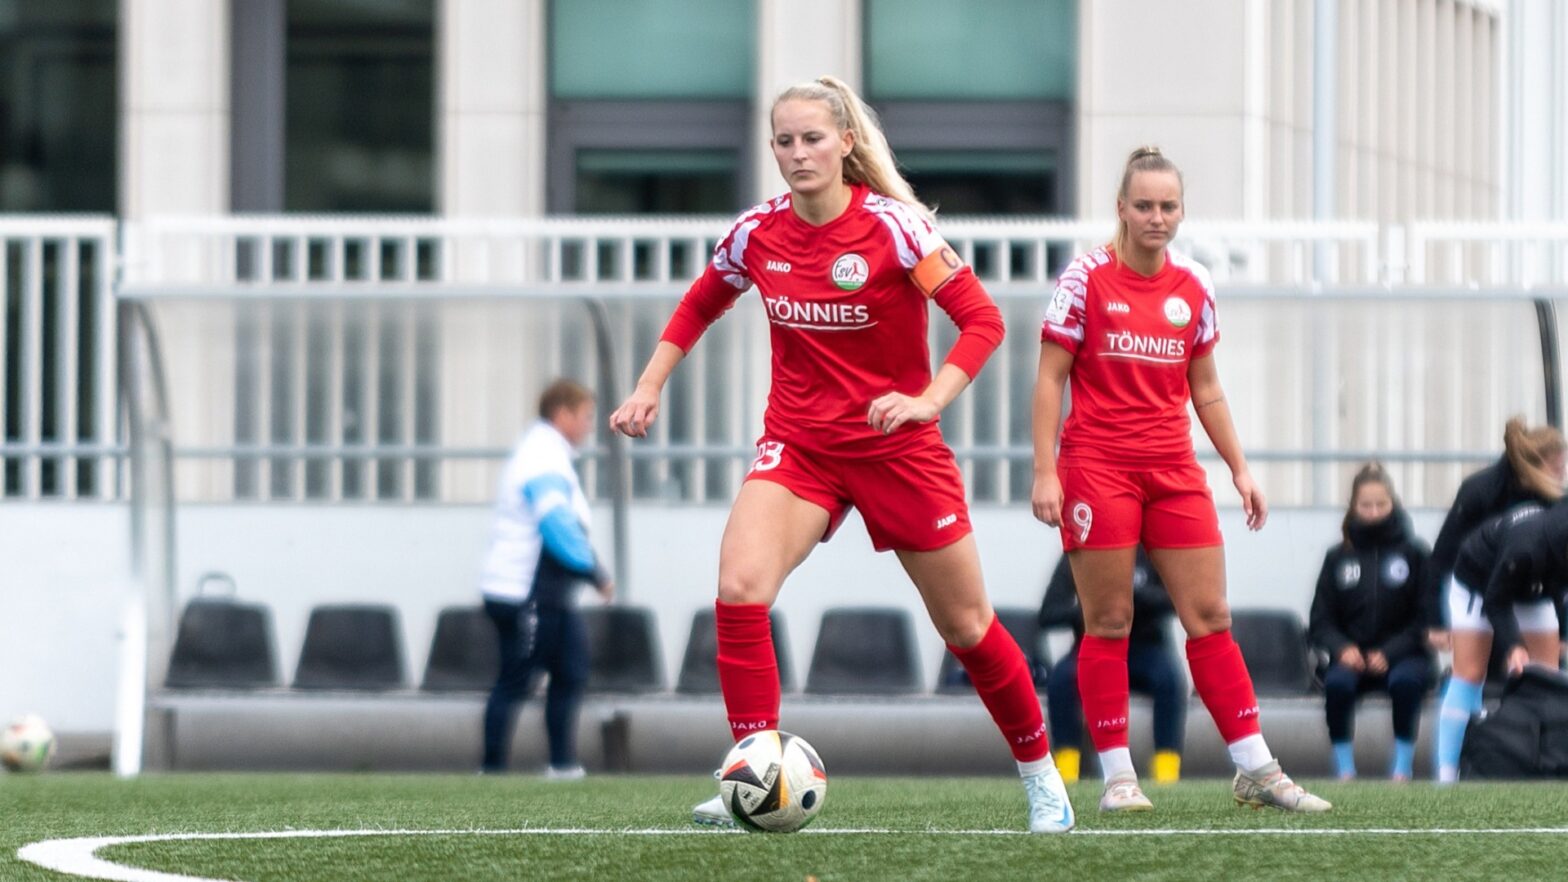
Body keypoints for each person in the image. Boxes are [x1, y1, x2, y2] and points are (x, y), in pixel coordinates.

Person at [609, 76, 1075, 834]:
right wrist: (647, 386)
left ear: (846, 144)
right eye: (784, 142)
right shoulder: (756, 232)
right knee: (738, 587)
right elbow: (701, 300)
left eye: (813, 139)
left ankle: (1040, 775)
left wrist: (929, 399)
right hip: (801, 447)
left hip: (900, 451)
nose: (798, 154)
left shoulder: (898, 230)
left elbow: (981, 321)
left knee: (968, 627)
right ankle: (754, 778)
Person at [1032, 145, 1330, 814]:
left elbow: (1207, 387)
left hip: (1173, 469)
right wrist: (1045, 470)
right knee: (1107, 620)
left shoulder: (1194, 284)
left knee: (1211, 616)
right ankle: (1117, 777)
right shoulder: (1084, 279)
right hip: (1098, 466)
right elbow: (1051, 376)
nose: (1156, 217)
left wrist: (1240, 467)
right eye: (1144, 205)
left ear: (1181, 211)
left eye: (1168, 206)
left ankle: (1255, 767)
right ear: (1121, 209)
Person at [479, 379, 615, 778]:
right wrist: (595, 572)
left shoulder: (548, 452)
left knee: (570, 668)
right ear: (563, 414)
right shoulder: (542, 456)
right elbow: (556, 524)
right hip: (524, 592)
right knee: (515, 679)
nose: (589, 425)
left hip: (548, 595)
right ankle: (491, 769)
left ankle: (561, 763)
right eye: (586, 416)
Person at [1308, 464, 1433, 782]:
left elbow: (1427, 618)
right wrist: (1342, 648)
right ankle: (1344, 768)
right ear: (1354, 508)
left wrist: (1390, 652)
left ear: (1393, 504)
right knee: (1337, 684)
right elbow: (1320, 620)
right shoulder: (1338, 557)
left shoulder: (1415, 553)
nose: (1374, 512)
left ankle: (1401, 768)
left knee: (1406, 683)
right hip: (1353, 657)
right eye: (1366, 505)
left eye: (1381, 504)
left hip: (1404, 656)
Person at [1433, 501, 1568, 782]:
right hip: (1480, 583)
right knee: (1470, 673)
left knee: (1545, 677)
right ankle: (1446, 777)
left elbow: (1560, 592)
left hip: (1535, 586)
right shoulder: (1524, 549)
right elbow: (1496, 600)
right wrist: (1514, 646)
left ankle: (1544, 768)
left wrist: (1563, 636)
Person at [1039, 547, 1185, 786]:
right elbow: (1049, 613)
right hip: (1094, 646)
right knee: (1061, 680)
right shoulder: (1078, 553)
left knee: (1169, 679)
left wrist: (1131, 596)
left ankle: (1166, 774)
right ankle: (1066, 772)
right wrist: (1095, 609)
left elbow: (1174, 600)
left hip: (1143, 647)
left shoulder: (1151, 553)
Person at [1425, 418, 1565, 652]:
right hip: (1478, 586)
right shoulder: (1480, 491)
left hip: (1528, 591)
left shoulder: (1556, 499)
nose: (1563, 475)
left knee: (1540, 675)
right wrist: (1435, 620)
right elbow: (1442, 557)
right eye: (1558, 468)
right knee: (1473, 674)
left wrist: (1563, 627)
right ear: (1535, 466)